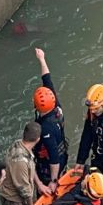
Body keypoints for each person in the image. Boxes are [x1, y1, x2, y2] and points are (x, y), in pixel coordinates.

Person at [0, 121, 50, 205]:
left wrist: (39, 183)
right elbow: (23, 189)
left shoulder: (19, 145)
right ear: (38, 139)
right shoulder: (20, 161)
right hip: (14, 201)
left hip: (15, 194)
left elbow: (30, 167)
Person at [32, 48, 68, 187]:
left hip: (49, 167)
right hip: (63, 155)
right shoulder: (56, 106)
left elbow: (53, 157)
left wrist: (53, 181)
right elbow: (47, 80)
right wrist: (42, 59)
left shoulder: (45, 128)